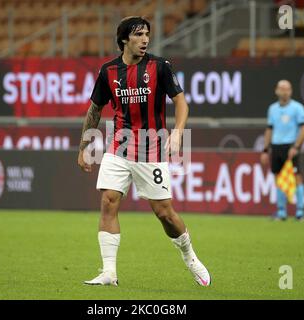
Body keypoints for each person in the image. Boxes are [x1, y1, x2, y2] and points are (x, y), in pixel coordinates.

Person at [77, 16, 211, 286]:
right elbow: (94, 109)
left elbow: (182, 103)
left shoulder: (160, 66)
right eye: (138, 35)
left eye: (147, 34)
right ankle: (109, 272)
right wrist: (83, 146)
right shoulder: (108, 71)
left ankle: (190, 256)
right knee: (108, 201)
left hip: (152, 147)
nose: (145, 39)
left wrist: (177, 132)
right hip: (119, 145)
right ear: (124, 39)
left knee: (164, 213)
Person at [260, 80, 304, 221]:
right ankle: (281, 212)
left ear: (291, 91)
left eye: (287, 89)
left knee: (297, 177)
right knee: (278, 179)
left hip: (290, 147)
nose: (285, 91)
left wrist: (296, 146)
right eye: (282, 89)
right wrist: (265, 149)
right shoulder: (272, 109)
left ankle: (300, 212)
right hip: (276, 147)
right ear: (276, 91)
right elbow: (269, 129)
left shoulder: (297, 108)